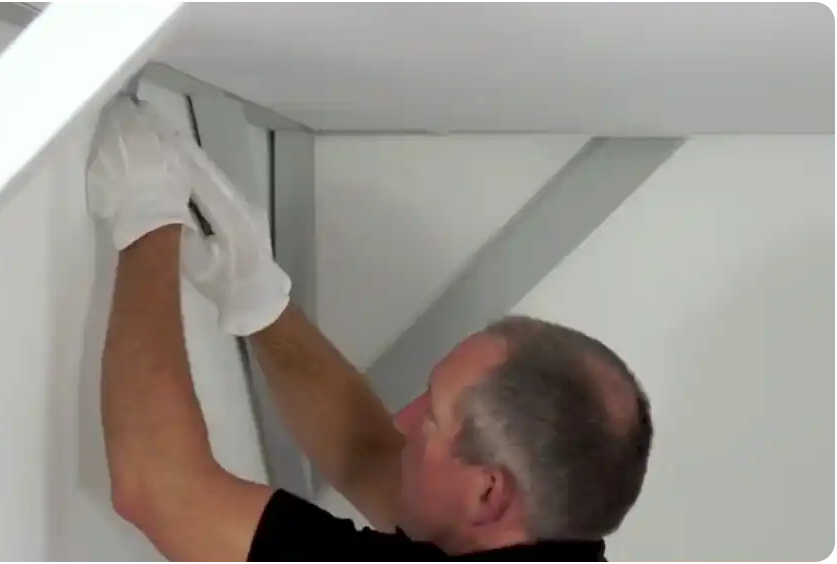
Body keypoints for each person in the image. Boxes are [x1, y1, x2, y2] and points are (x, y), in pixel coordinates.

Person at [86, 94, 654, 563]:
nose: (402, 421)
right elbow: (370, 457)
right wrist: (257, 294)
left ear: (488, 492)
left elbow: (158, 488)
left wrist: (149, 215)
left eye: (430, 418)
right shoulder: (544, 538)